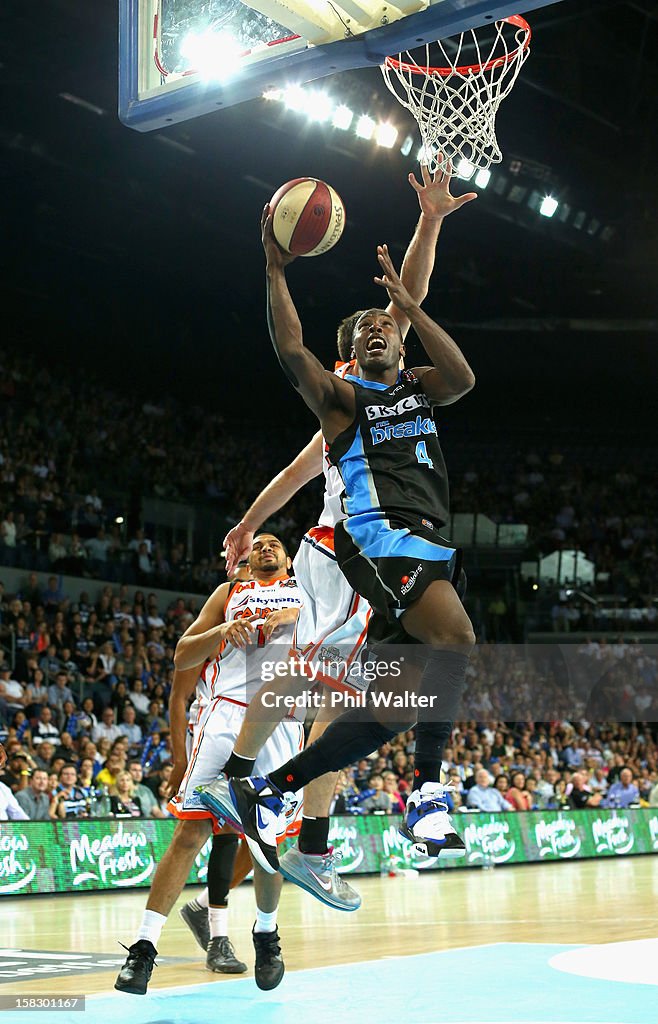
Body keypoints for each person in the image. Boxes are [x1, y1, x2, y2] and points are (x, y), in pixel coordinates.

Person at [200, 175, 476, 874]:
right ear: (351, 354)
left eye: (389, 326)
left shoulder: (415, 385)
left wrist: (428, 224)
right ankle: (424, 794)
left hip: (424, 543)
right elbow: (291, 349)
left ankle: (267, 793)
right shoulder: (343, 402)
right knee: (453, 636)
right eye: (368, 330)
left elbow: (461, 373)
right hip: (373, 542)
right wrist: (273, 268)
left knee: (395, 708)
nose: (382, 329)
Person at [115, 534, 304, 996]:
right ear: (243, 558)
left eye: (274, 543)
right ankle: (143, 950)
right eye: (257, 543)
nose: (265, 548)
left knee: (268, 841)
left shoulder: (307, 592)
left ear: (289, 557)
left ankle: (266, 934)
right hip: (227, 713)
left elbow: (339, 640)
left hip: (282, 717)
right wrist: (220, 633)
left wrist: (295, 616)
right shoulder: (228, 595)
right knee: (190, 834)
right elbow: (183, 655)